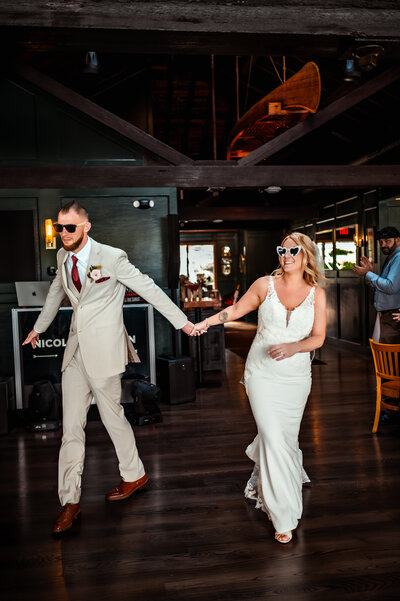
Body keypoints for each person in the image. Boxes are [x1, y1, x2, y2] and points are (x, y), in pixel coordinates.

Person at [23, 201, 195, 534]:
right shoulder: (61, 258)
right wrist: (38, 329)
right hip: (74, 352)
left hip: (104, 353)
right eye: (59, 227)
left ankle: (135, 475)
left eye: (69, 227)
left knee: (112, 417)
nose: (63, 233)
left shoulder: (112, 257)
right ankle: (70, 501)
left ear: (86, 227)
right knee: (71, 428)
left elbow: (149, 289)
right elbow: (55, 295)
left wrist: (183, 324)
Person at [192, 233, 326, 543]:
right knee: (273, 437)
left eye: (293, 250)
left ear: (306, 255)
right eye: (282, 249)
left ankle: (284, 481)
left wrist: (294, 347)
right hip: (261, 374)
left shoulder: (317, 293)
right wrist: (207, 323)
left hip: (295, 377)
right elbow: (235, 311)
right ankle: (284, 515)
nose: (286, 254)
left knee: (286, 439)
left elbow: (318, 337)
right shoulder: (264, 285)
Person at [353, 226, 400, 343]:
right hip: (387, 315)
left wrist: (368, 274)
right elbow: (383, 288)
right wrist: (371, 274)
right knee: (384, 355)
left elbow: (390, 287)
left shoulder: (398, 257)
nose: (383, 245)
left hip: (393, 316)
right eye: (381, 242)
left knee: (389, 357)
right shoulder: (392, 257)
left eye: (387, 241)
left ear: (398, 240)